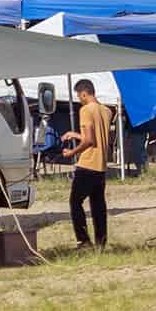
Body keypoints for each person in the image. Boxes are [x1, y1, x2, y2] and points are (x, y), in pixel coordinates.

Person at [60, 79, 112, 249]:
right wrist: (75, 135)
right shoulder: (106, 111)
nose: (79, 98)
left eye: (79, 95)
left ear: (84, 93)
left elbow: (89, 141)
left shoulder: (85, 110)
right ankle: (101, 242)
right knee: (98, 206)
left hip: (87, 164)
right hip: (101, 166)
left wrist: (71, 153)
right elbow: (96, 136)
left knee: (75, 202)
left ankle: (83, 240)